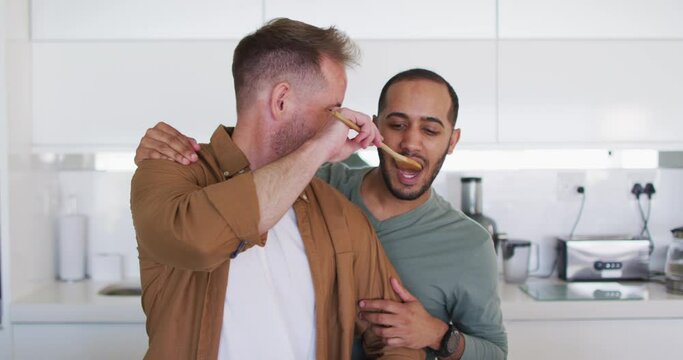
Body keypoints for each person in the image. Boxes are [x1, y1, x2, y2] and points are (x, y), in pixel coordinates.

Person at [136, 68, 507, 359]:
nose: (410, 142)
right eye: (396, 125)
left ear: (452, 141)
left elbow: (494, 352)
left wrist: (439, 336)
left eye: (430, 129)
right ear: (376, 126)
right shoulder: (320, 182)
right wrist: (164, 154)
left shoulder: (469, 243)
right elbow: (257, 151)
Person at [130, 18, 425, 360]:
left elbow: (397, 340)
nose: (338, 124)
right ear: (281, 100)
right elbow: (197, 241)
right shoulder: (169, 171)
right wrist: (319, 148)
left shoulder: (338, 212)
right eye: (333, 110)